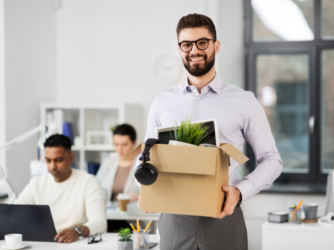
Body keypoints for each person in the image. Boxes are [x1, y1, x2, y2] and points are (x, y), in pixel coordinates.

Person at [139, 13, 283, 250]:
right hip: (174, 218)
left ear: (216, 45)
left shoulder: (244, 101)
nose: (194, 50)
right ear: (179, 49)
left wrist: (239, 191)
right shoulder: (162, 102)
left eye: (202, 42)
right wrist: (147, 188)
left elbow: (272, 160)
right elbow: (145, 154)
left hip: (223, 215)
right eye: (186, 44)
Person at [15, 134, 106, 243]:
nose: (52, 166)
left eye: (58, 160)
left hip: (75, 242)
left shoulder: (87, 181)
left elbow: (100, 222)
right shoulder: (37, 183)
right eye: (48, 160)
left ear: (70, 158)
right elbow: (15, 212)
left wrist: (77, 231)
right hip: (44, 243)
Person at [96, 124, 139, 203]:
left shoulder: (141, 165)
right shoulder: (107, 163)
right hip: (109, 212)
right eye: (116, 144)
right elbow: (96, 188)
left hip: (133, 212)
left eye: (124, 145)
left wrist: (138, 197)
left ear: (134, 142)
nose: (119, 149)